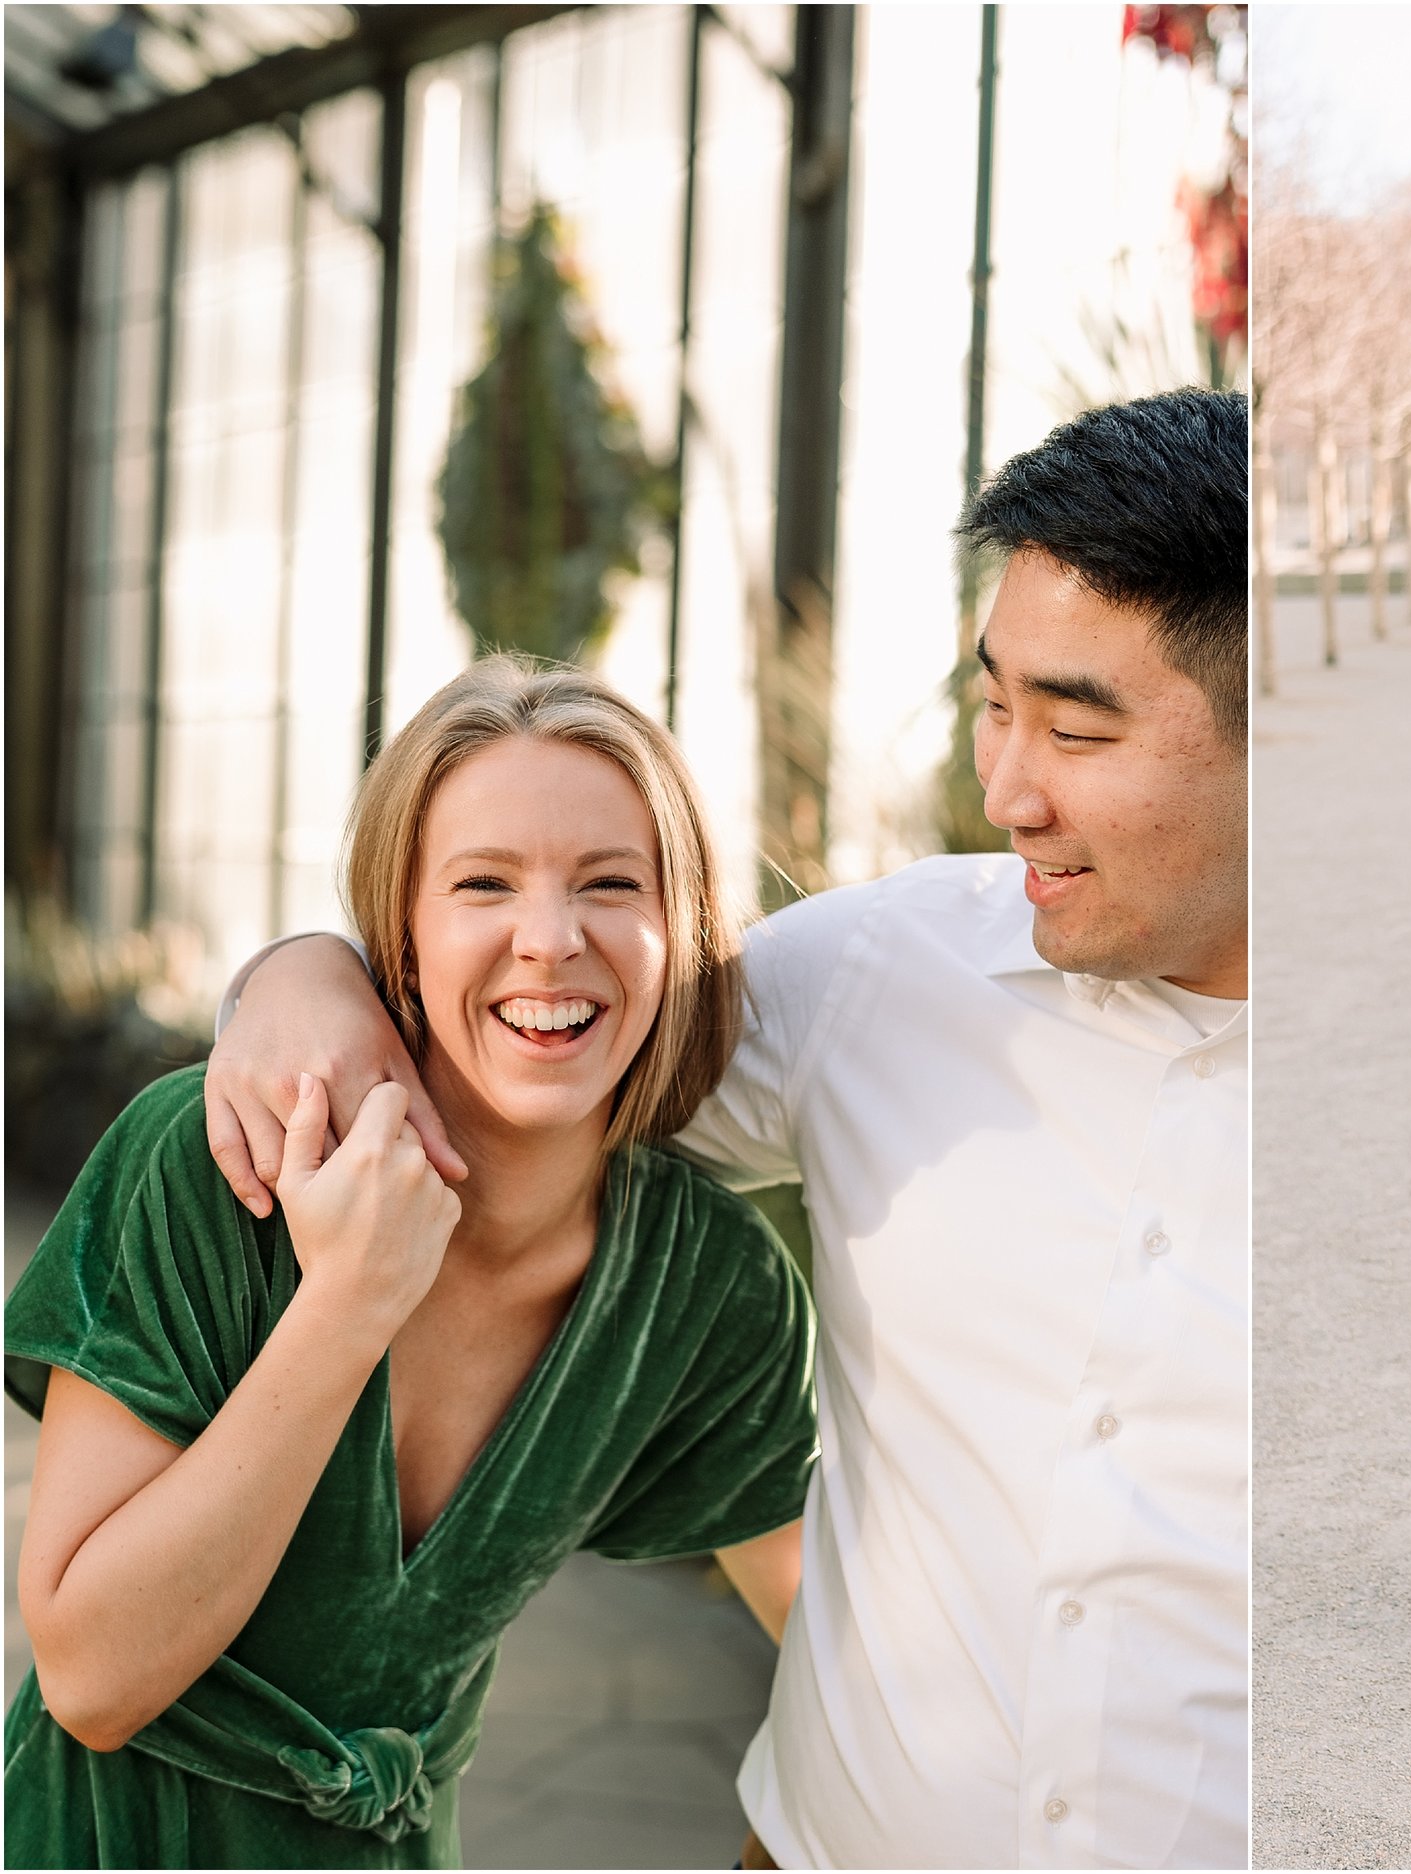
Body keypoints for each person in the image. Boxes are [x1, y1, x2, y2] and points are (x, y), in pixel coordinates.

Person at [200, 388, 1249, 1866]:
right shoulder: (888, 972)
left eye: (1074, 727)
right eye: (995, 703)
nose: (1007, 787)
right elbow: (548, 1016)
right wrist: (302, 977)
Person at [5, 658, 818, 1866]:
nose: (549, 941)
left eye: (611, 882)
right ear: (403, 929)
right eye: (483, 883)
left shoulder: (704, 1288)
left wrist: (802, 1836)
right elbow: (91, 1674)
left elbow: (841, 1643)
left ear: (680, 929)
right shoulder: (211, 1162)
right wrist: (345, 1303)